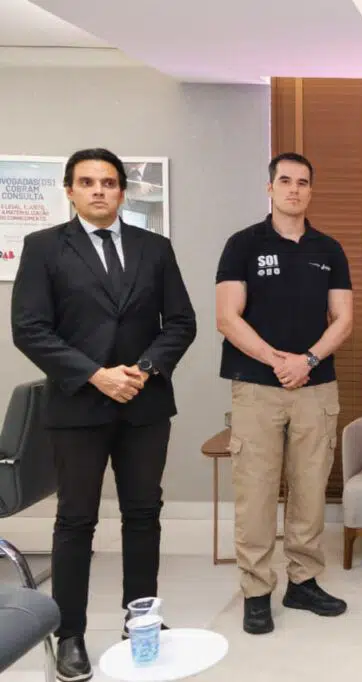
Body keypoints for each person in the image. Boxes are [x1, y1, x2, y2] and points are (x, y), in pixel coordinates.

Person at [11, 148, 196, 682]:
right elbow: (30, 329)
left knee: (144, 514)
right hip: (78, 405)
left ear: (122, 191)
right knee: (76, 520)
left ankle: (141, 620)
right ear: (69, 190)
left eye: (109, 182)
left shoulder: (154, 248)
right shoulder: (44, 247)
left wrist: (144, 369)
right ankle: (69, 633)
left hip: (144, 402)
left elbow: (180, 322)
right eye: (88, 182)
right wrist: (96, 375)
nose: (99, 190)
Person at [215, 152, 354, 635]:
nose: (294, 189)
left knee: (310, 489)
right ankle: (256, 591)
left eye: (303, 182)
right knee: (255, 492)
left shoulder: (329, 249)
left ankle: (303, 581)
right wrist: (277, 360)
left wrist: (307, 360)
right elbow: (227, 317)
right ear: (270, 188)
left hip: (316, 387)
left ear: (311, 190)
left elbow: (343, 319)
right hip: (257, 388)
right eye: (286, 180)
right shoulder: (242, 244)